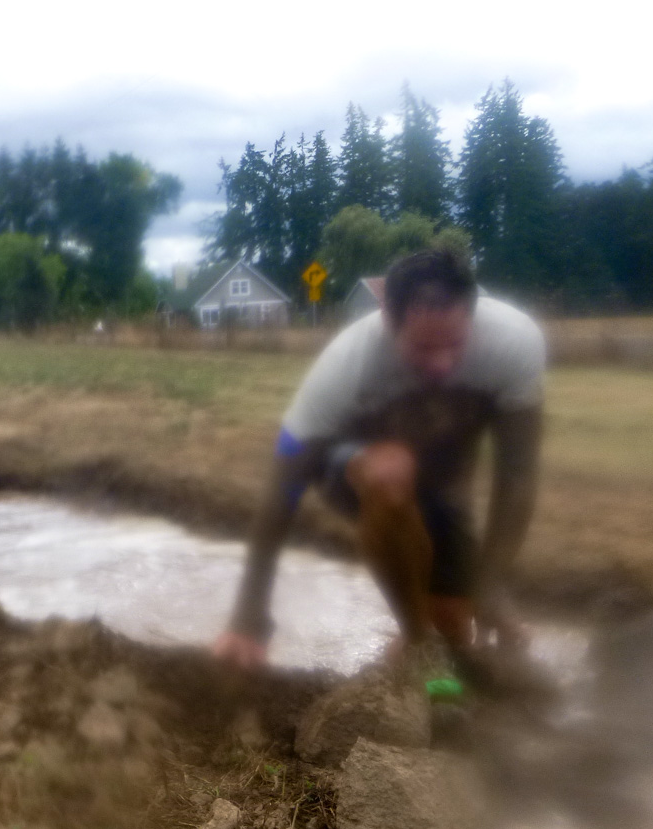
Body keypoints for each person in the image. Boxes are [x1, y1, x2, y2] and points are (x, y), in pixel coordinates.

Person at [212, 245, 546, 687]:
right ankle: (416, 642)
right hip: (351, 466)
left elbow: (517, 476)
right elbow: (283, 484)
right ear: (389, 320)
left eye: (454, 345)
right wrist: (249, 614)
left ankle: (428, 644)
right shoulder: (347, 364)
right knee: (390, 472)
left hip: (440, 485)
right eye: (423, 348)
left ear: (472, 313)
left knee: (455, 626)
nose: (442, 364)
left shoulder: (513, 342)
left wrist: (487, 585)